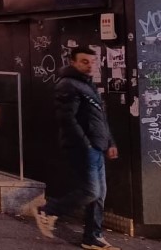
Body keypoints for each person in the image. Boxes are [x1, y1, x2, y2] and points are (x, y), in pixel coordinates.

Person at [34, 46, 118, 250]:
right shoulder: (67, 85)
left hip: (97, 146)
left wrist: (110, 142)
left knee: (99, 194)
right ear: (73, 62)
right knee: (91, 191)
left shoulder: (87, 85)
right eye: (84, 61)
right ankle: (48, 210)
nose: (89, 66)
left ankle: (92, 237)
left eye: (92, 61)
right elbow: (67, 119)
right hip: (83, 147)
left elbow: (99, 118)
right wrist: (87, 144)